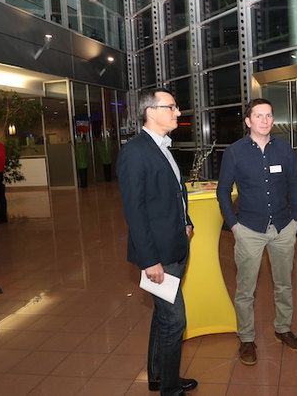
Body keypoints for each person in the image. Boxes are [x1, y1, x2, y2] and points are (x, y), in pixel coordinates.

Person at [116, 88, 197, 396]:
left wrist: (186, 222)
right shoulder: (135, 152)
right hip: (159, 256)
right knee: (175, 321)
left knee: (163, 317)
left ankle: (159, 376)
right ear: (151, 112)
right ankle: (170, 389)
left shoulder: (162, 146)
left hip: (174, 247)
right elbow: (135, 212)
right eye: (172, 107)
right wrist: (150, 260)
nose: (178, 112)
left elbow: (174, 194)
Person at [217, 98, 297, 366]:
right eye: (258, 115)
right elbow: (223, 190)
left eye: (268, 115)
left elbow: (295, 183)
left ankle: (283, 329)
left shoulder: (284, 149)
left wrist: (296, 219)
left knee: (284, 284)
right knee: (246, 289)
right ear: (248, 121)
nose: (264, 120)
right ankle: (246, 338)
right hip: (249, 229)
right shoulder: (234, 152)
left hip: (283, 227)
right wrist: (233, 225)